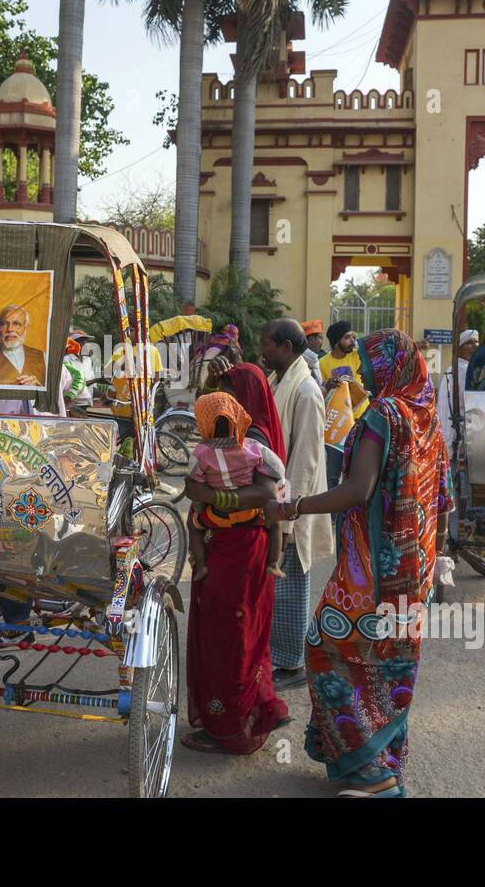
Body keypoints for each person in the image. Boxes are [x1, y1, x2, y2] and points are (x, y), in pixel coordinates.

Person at [264, 329, 452, 798]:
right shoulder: (427, 416)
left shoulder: (384, 416)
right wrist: (434, 563)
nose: (360, 370)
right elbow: (443, 502)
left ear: (390, 366)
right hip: (414, 569)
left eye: (368, 362)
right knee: (387, 662)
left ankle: (373, 773)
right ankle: (375, 758)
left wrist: (292, 508)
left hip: (370, 569)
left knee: (326, 648)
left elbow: (358, 489)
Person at [180, 362, 289, 754]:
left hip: (234, 548)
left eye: (229, 388)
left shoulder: (249, 437)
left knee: (227, 637)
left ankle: (228, 726)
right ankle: (253, 711)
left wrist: (213, 501)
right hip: (247, 545)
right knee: (244, 634)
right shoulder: (249, 433)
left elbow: (263, 495)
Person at [260, 318, 334, 691]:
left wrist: (289, 516)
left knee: (290, 585)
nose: (263, 351)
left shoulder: (305, 390)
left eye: (268, 345)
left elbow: (305, 460)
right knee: (277, 586)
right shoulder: (279, 380)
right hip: (279, 501)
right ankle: (280, 656)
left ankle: (292, 664)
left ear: (287, 348)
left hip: (292, 506)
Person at [185, 392, 286, 581]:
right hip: (254, 514)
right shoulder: (252, 447)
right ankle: (274, 564)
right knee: (275, 524)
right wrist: (281, 487)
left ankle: (200, 567)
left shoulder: (201, 453)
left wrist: (200, 505)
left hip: (218, 515)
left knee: (193, 524)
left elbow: (194, 483)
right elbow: (278, 468)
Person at [319, 321, 368, 490]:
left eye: (352, 336)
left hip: (361, 420)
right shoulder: (323, 363)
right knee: (332, 474)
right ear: (336, 341)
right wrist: (327, 385)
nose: (352, 340)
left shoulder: (356, 356)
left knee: (356, 473)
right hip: (338, 425)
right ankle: (331, 515)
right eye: (347, 337)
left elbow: (368, 344)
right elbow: (321, 394)